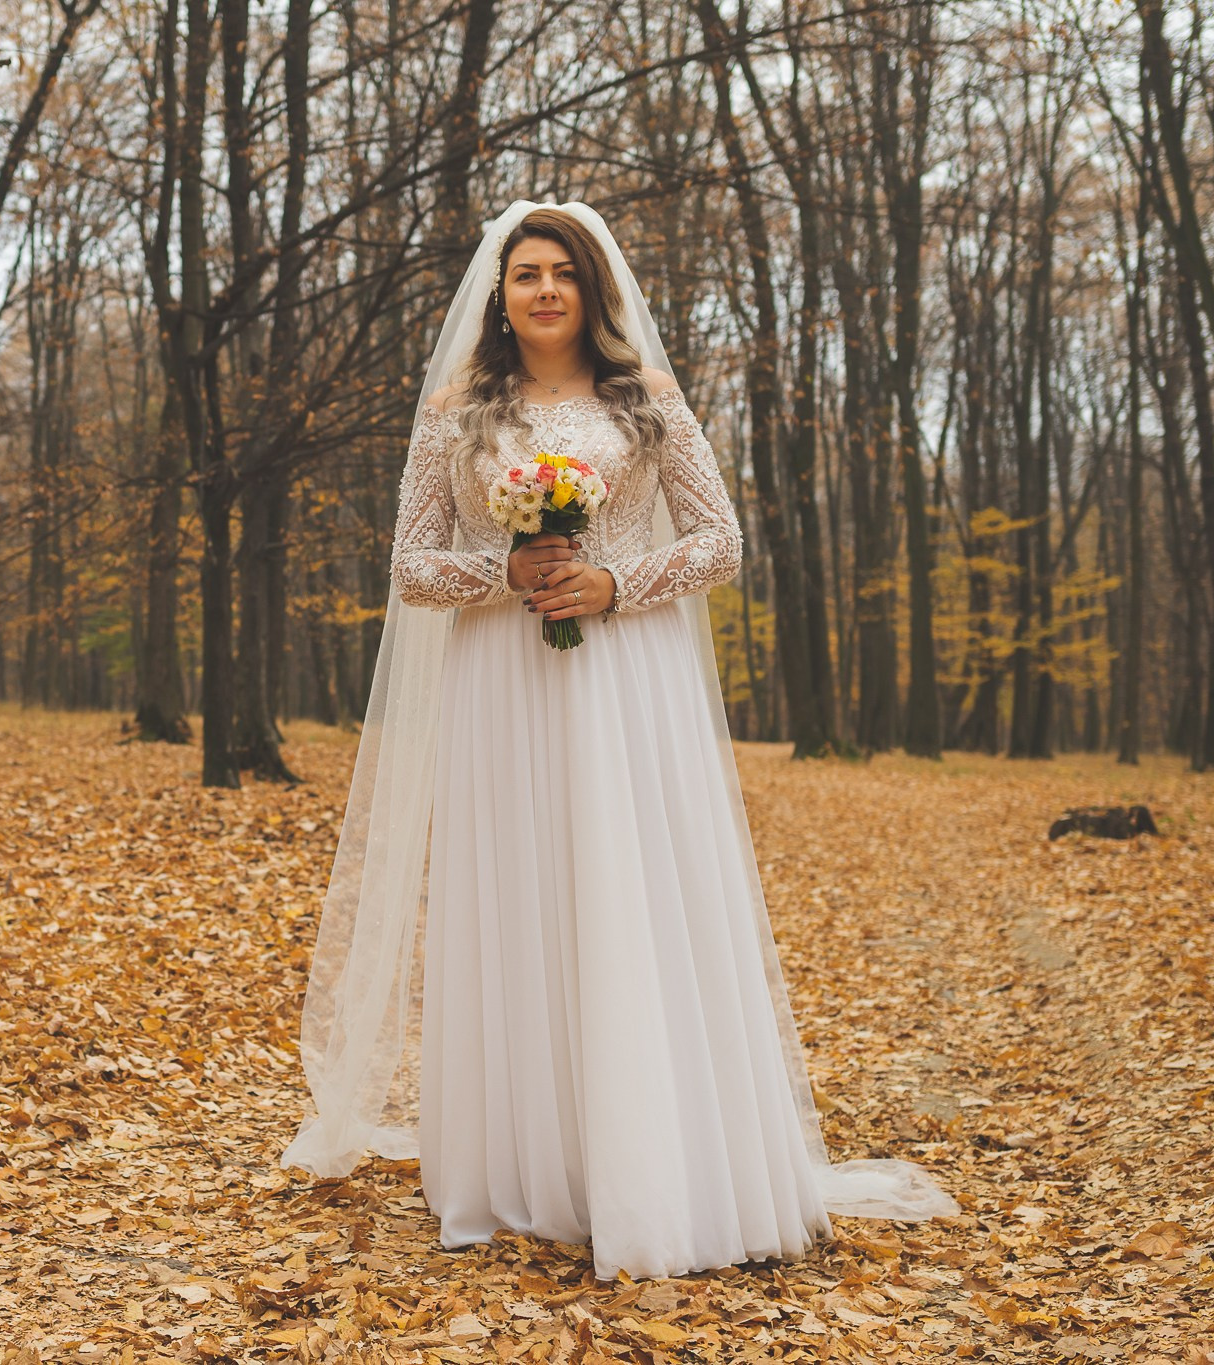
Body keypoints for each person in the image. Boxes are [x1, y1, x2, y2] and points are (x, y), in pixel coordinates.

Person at [281, 201, 958, 1282]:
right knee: (519, 900)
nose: (542, 290)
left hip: (625, 679)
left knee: (625, 895)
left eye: (561, 273)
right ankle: (522, 1169)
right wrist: (503, 575)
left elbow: (719, 541)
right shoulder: (456, 412)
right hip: (499, 681)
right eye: (523, 275)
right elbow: (410, 566)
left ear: (593, 290)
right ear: (497, 296)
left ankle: (648, 1161)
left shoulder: (644, 402)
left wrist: (612, 581)